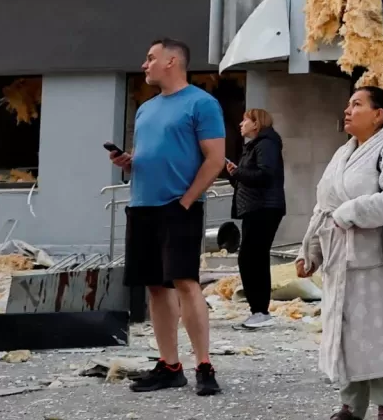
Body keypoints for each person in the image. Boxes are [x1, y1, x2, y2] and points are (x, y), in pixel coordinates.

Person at [296, 87, 383, 420]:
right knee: (344, 335)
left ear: (379, 114)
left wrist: (351, 213)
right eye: (348, 103)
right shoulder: (343, 152)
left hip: (378, 263)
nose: (347, 110)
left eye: (357, 104)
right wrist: (312, 250)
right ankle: (351, 408)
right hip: (339, 261)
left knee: (380, 336)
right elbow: (324, 206)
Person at [109, 39, 225, 396]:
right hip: (142, 205)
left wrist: (187, 201)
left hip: (179, 207)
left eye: (150, 58)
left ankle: (204, 365)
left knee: (186, 283)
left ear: (172, 61)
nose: (144, 65)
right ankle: (169, 366)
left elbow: (215, 159)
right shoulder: (145, 110)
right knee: (155, 287)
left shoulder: (202, 103)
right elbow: (151, 154)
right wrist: (129, 162)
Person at [226, 108, 286, 329]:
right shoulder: (254, 146)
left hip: (264, 208)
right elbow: (248, 180)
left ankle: (260, 310)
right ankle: (258, 310)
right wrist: (235, 174)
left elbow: (265, 175)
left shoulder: (266, 144)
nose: (241, 125)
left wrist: (239, 173)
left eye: (245, 120)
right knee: (252, 258)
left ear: (256, 123)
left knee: (252, 258)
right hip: (255, 207)